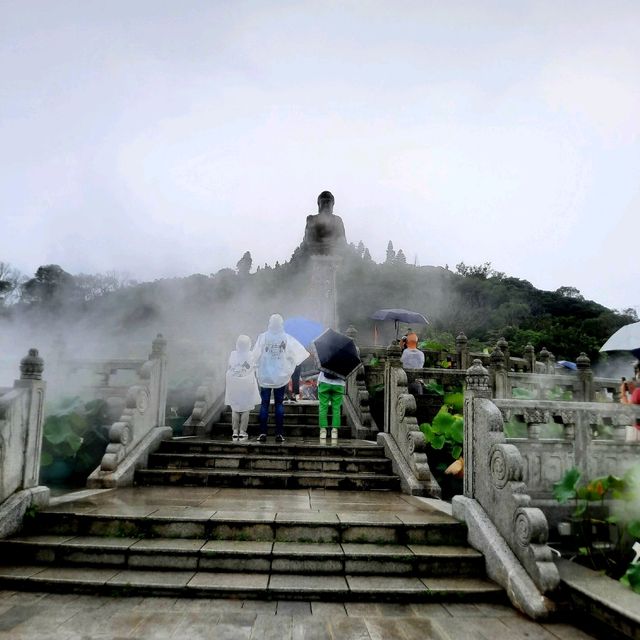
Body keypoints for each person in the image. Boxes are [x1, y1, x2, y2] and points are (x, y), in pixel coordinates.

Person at [252, 314, 309, 443]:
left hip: (265, 375)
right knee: (279, 404)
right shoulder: (286, 338)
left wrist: (253, 366)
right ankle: (279, 433)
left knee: (264, 404)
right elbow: (296, 354)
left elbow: (255, 355)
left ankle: (262, 433)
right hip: (279, 376)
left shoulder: (263, 337)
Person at [225, 335, 261, 440]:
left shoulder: (233, 354)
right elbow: (254, 366)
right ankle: (243, 431)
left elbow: (230, 367)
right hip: (246, 385)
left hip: (234, 384)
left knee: (235, 408)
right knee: (246, 408)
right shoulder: (251, 355)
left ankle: (235, 431)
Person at [317, 370, 345, 440]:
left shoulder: (326, 359)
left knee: (323, 407)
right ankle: (334, 431)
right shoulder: (344, 360)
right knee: (336, 408)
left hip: (324, 382)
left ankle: (323, 431)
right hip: (339, 384)